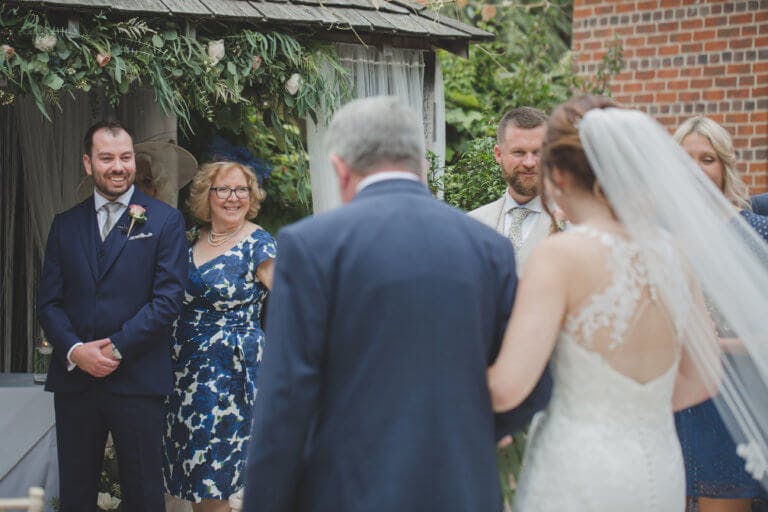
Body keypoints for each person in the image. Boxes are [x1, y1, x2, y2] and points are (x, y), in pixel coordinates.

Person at [241, 96, 551, 512]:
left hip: (350, 489)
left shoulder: (311, 246)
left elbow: (284, 400)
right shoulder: (488, 247)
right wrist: (471, 431)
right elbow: (535, 382)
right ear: (420, 164)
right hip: (462, 488)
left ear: (340, 169)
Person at [488, 95, 768, 510]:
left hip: (579, 464)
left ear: (559, 173)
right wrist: (638, 409)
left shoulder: (561, 254)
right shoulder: (674, 254)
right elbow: (703, 377)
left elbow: (508, 388)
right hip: (657, 463)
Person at [38, 119, 188, 512]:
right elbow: (49, 302)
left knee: (143, 493)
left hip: (138, 379)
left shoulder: (164, 221)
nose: (118, 166)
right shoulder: (64, 225)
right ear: (88, 164)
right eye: (107, 158)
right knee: (76, 493)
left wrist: (116, 348)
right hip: (76, 385)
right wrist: (75, 351)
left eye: (124, 157)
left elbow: (168, 300)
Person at [162, 161, 276, 512]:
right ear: (206, 196)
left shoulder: (259, 243)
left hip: (231, 378)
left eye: (242, 190)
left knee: (216, 484)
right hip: (186, 377)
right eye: (224, 189)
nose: (233, 197)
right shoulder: (190, 241)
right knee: (199, 485)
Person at [672, 116, 768, 512]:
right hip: (666, 402)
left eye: (707, 159)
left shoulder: (756, 234)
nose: (695, 170)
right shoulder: (653, 235)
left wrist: (715, 343)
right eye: (686, 159)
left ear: (725, 166)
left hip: (731, 409)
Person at [468, 106, 555, 273]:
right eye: (519, 152)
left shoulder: (574, 224)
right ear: (499, 154)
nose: (529, 163)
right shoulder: (472, 223)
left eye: (538, 152)